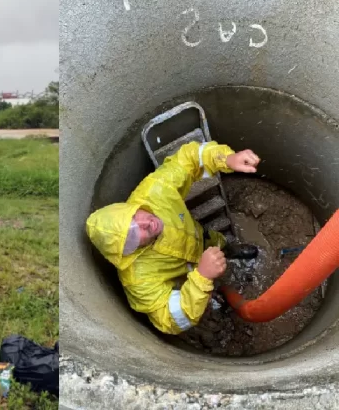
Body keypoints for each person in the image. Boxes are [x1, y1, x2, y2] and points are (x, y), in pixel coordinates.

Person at [85, 140, 261, 335]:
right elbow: (169, 319)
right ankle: (215, 282)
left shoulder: (153, 194)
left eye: (133, 216)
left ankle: (229, 249)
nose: (146, 223)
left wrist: (226, 159)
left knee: (217, 242)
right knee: (206, 278)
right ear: (127, 250)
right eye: (134, 234)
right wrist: (202, 278)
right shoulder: (137, 279)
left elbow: (189, 158)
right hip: (192, 273)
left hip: (200, 237)